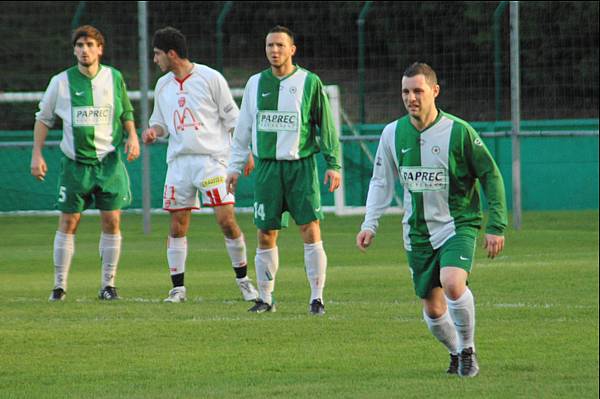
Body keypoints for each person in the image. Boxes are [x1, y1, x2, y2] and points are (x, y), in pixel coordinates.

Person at [356, 62, 507, 377]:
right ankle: (455, 351)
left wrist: (496, 226)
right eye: (406, 92)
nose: (411, 98)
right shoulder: (392, 133)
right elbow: (381, 181)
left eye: (418, 91)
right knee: (433, 308)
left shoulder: (459, 131)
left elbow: (490, 175)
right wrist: (369, 223)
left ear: (435, 91)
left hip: (458, 224)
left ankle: (467, 349)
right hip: (418, 233)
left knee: (453, 283)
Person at [226, 25, 342, 315]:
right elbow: (243, 129)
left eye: (279, 45)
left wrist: (333, 164)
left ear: (292, 49)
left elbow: (325, 125)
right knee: (265, 233)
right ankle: (266, 298)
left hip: (300, 168)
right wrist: (234, 167)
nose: (274, 51)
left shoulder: (309, 82)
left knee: (310, 229)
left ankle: (317, 297)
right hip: (267, 168)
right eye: (269, 46)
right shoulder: (254, 83)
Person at [142, 27, 258, 303]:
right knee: (177, 225)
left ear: (171, 53)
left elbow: (233, 118)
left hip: (213, 160)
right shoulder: (163, 85)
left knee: (226, 220)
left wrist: (246, 153)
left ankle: (244, 281)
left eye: (157, 54)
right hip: (179, 163)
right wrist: (153, 132)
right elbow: (160, 122)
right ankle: (178, 289)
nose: (155, 60)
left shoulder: (210, 78)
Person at [30, 25, 140, 301]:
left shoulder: (114, 78)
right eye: (80, 45)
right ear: (74, 50)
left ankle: (108, 285)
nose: (84, 50)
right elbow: (44, 118)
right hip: (75, 164)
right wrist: (37, 153)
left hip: (109, 162)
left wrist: (133, 136)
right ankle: (59, 286)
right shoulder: (61, 82)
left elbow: (125, 111)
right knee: (68, 222)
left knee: (112, 220)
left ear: (100, 49)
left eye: (90, 44)